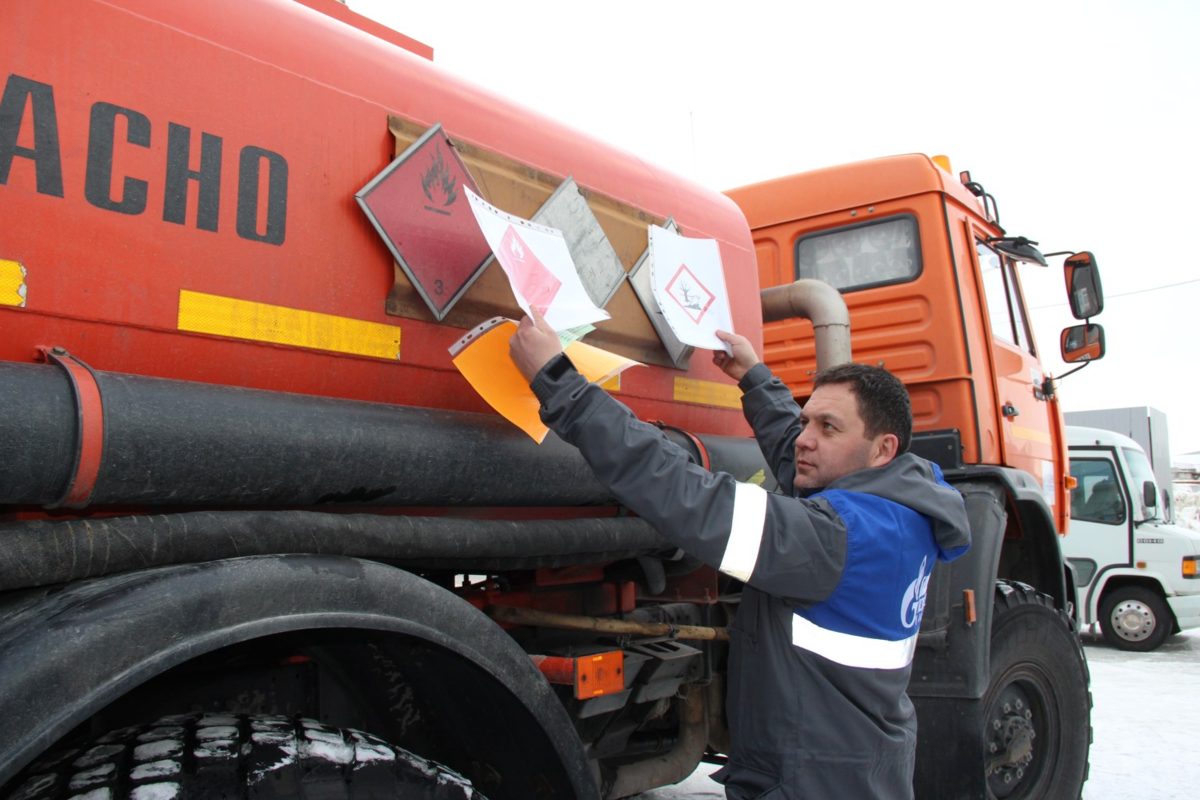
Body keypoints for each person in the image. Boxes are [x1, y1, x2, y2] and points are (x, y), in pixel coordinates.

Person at [509, 309, 971, 800]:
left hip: (810, 782)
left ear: (883, 448)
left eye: (829, 427)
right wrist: (754, 379)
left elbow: (689, 495)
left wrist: (562, 385)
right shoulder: (902, 508)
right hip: (863, 764)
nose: (806, 440)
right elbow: (799, 458)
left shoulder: (839, 539)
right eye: (805, 420)